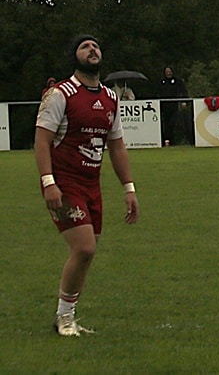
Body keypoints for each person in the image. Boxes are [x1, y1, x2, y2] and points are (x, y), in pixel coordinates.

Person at [34, 34, 140, 336]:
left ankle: (67, 315)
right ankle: (64, 318)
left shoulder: (110, 97)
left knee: (87, 253)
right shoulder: (60, 94)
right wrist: (49, 182)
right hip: (65, 183)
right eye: (85, 47)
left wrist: (129, 189)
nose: (92, 49)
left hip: (92, 185)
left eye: (95, 46)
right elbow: (42, 140)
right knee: (84, 248)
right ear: (75, 57)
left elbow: (116, 146)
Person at [159, 65, 189, 147]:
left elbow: (183, 91)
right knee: (165, 123)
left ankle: (172, 140)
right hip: (164, 106)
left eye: (169, 72)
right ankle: (166, 141)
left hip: (174, 105)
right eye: (166, 72)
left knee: (172, 123)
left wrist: (184, 101)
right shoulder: (162, 81)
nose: (168, 73)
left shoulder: (177, 81)